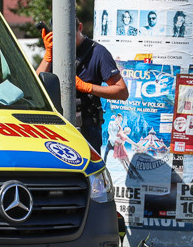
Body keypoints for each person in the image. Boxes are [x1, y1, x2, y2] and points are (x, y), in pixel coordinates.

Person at [37, 21, 129, 152]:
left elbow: (122, 92)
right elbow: (36, 85)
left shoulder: (98, 53)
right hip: (56, 125)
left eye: (69, 36)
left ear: (80, 27)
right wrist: (48, 56)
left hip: (86, 126)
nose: (65, 42)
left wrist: (87, 87)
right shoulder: (55, 51)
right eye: (60, 37)